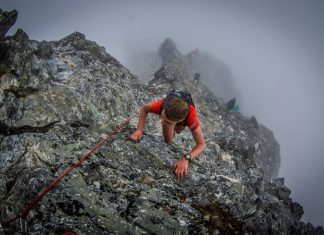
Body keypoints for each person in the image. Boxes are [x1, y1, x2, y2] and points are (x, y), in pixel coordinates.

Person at [130, 90, 206, 180]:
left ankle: (174, 128)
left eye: (168, 121)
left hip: (182, 120)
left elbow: (201, 144)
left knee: (178, 131)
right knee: (168, 140)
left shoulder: (190, 118)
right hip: (172, 107)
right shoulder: (162, 106)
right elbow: (144, 109)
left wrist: (186, 159)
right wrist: (139, 130)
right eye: (162, 116)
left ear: (179, 121)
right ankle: (169, 125)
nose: (162, 121)